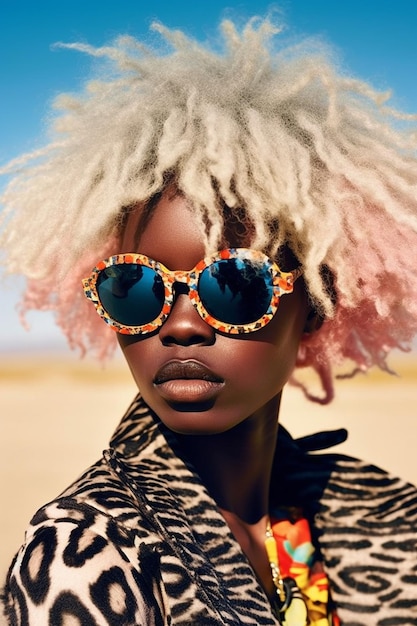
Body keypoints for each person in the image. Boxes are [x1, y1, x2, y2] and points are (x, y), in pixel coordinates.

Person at [1, 17, 417, 626]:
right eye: (135, 288)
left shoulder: (391, 521)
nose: (182, 326)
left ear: (315, 305)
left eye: (234, 285)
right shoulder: (84, 557)